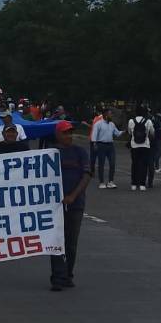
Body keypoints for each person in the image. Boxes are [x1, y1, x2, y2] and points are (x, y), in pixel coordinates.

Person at [49, 120, 93, 291]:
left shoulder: (80, 152)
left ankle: (68, 274)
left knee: (71, 243)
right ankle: (57, 277)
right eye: (65, 133)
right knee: (56, 241)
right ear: (57, 135)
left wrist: (73, 196)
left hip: (75, 204)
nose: (69, 136)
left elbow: (87, 174)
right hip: (55, 206)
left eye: (70, 132)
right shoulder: (51, 154)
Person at [92, 108, 122, 189]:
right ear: (105, 114)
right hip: (101, 145)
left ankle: (110, 181)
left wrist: (124, 131)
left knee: (112, 163)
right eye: (110, 114)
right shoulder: (98, 124)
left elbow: (117, 133)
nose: (111, 115)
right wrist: (94, 143)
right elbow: (94, 134)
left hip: (110, 145)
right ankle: (101, 182)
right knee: (101, 164)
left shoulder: (112, 124)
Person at [127, 107, 153, 191]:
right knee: (144, 165)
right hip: (145, 145)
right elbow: (152, 132)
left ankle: (134, 184)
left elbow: (130, 132)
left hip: (134, 145)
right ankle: (142, 184)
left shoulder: (131, 121)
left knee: (134, 164)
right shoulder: (148, 121)